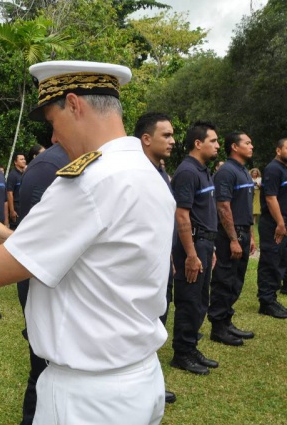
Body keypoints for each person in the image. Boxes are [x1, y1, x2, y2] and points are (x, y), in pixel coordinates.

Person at [0, 60, 173, 424]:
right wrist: (12, 237)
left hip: (89, 396)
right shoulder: (144, 171)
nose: (52, 138)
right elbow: (98, 258)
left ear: (75, 104)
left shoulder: (87, 182)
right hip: (138, 377)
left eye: (53, 121)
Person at [16, 141, 69, 424]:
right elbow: (33, 242)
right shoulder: (49, 166)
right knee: (44, 368)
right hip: (46, 284)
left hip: (70, 288)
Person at [170, 121, 220, 375]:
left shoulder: (203, 170)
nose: (218, 145)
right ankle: (182, 353)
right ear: (198, 143)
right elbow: (182, 215)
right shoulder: (188, 172)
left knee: (200, 299)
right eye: (213, 141)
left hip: (204, 243)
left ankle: (190, 347)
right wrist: (191, 254)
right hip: (193, 244)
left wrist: (210, 247)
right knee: (189, 299)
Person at [134, 111, 177, 404]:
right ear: (146, 139)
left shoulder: (159, 172)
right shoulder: (136, 174)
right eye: (167, 135)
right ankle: (139, 385)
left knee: (158, 321)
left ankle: (151, 381)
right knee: (141, 324)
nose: (172, 141)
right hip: (140, 267)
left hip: (160, 262)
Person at [208, 132, 256, 344]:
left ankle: (227, 321)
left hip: (243, 231)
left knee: (236, 281)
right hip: (230, 234)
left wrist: (250, 235)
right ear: (235, 147)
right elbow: (223, 207)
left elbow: (245, 207)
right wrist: (234, 239)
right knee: (224, 280)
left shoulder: (243, 170)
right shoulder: (226, 172)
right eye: (247, 143)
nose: (251, 146)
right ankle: (218, 327)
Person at [256, 138, 287, 319]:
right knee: (270, 260)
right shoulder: (273, 169)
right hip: (274, 223)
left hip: (282, 221)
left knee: (280, 260)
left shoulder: (284, 169)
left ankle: (272, 298)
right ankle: (266, 302)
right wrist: (280, 223)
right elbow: (270, 198)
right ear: (278, 150)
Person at [6, 152, 26, 229]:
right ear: (15, 162)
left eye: (24, 159)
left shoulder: (24, 174)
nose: (24, 161)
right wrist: (12, 211)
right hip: (16, 209)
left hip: (23, 208)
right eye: (21, 159)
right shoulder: (12, 175)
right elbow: (9, 193)